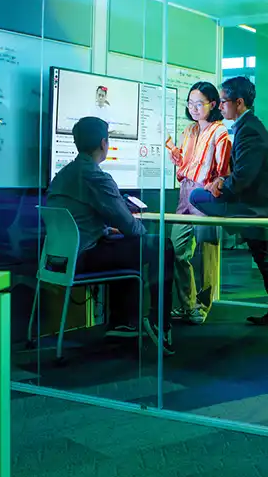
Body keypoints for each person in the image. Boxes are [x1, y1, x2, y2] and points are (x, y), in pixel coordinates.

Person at [47, 116, 175, 354]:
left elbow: (79, 221)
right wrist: (139, 234)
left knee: (120, 243)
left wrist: (108, 230)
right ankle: (160, 323)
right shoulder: (96, 177)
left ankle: (123, 321)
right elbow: (131, 226)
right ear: (104, 143)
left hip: (57, 259)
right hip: (84, 258)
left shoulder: (62, 175)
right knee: (162, 246)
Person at [191, 76, 268, 326]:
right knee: (263, 254)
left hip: (260, 206)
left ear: (238, 102)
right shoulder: (250, 127)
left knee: (197, 196)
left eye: (223, 101)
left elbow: (243, 177)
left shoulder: (249, 131)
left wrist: (220, 184)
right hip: (264, 202)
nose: (220, 107)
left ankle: (236, 224)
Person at [167, 81, 232, 324]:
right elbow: (185, 166)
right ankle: (188, 304)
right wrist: (178, 159)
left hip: (206, 195)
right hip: (185, 192)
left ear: (212, 104)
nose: (193, 109)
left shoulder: (220, 132)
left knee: (207, 253)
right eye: (190, 104)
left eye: (199, 104)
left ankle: (203, 305)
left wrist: (215, 185)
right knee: (176, 249)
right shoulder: (189, 131)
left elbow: (223, 171)